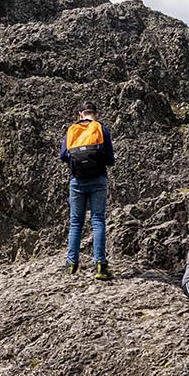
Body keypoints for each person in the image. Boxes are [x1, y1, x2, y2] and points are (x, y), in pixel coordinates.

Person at [59, 105, 117, 280]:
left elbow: (63, 155)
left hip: (77, 180)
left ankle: (71, 265)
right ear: (96, 114)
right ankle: (100, 265)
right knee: (97, 220)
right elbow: (110, 159)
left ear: (80, 114)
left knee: (76, 221)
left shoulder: (72, 129)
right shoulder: (101, 128)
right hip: (98, 179)